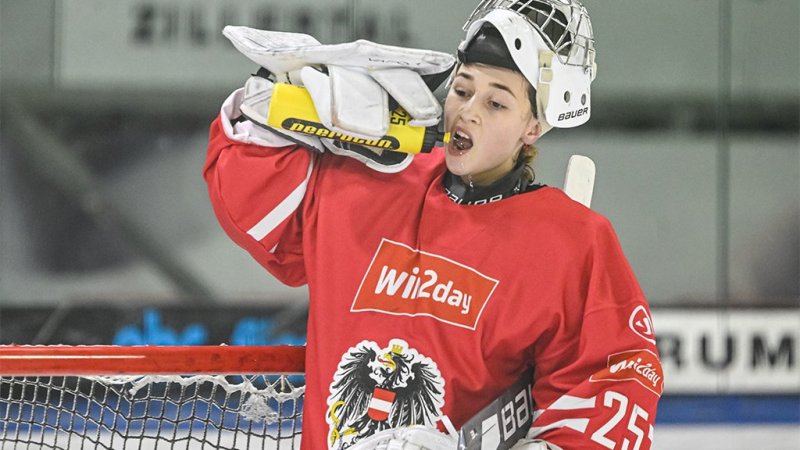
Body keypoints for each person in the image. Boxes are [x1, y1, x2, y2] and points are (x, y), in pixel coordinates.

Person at [204, 0, 662, 449]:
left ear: (533, 127)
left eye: (496, 103)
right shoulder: (365, 183)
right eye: (462, 90)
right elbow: (253, 211)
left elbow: (614, 385)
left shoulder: (571, 241)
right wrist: (270, 109)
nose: (469, 111)